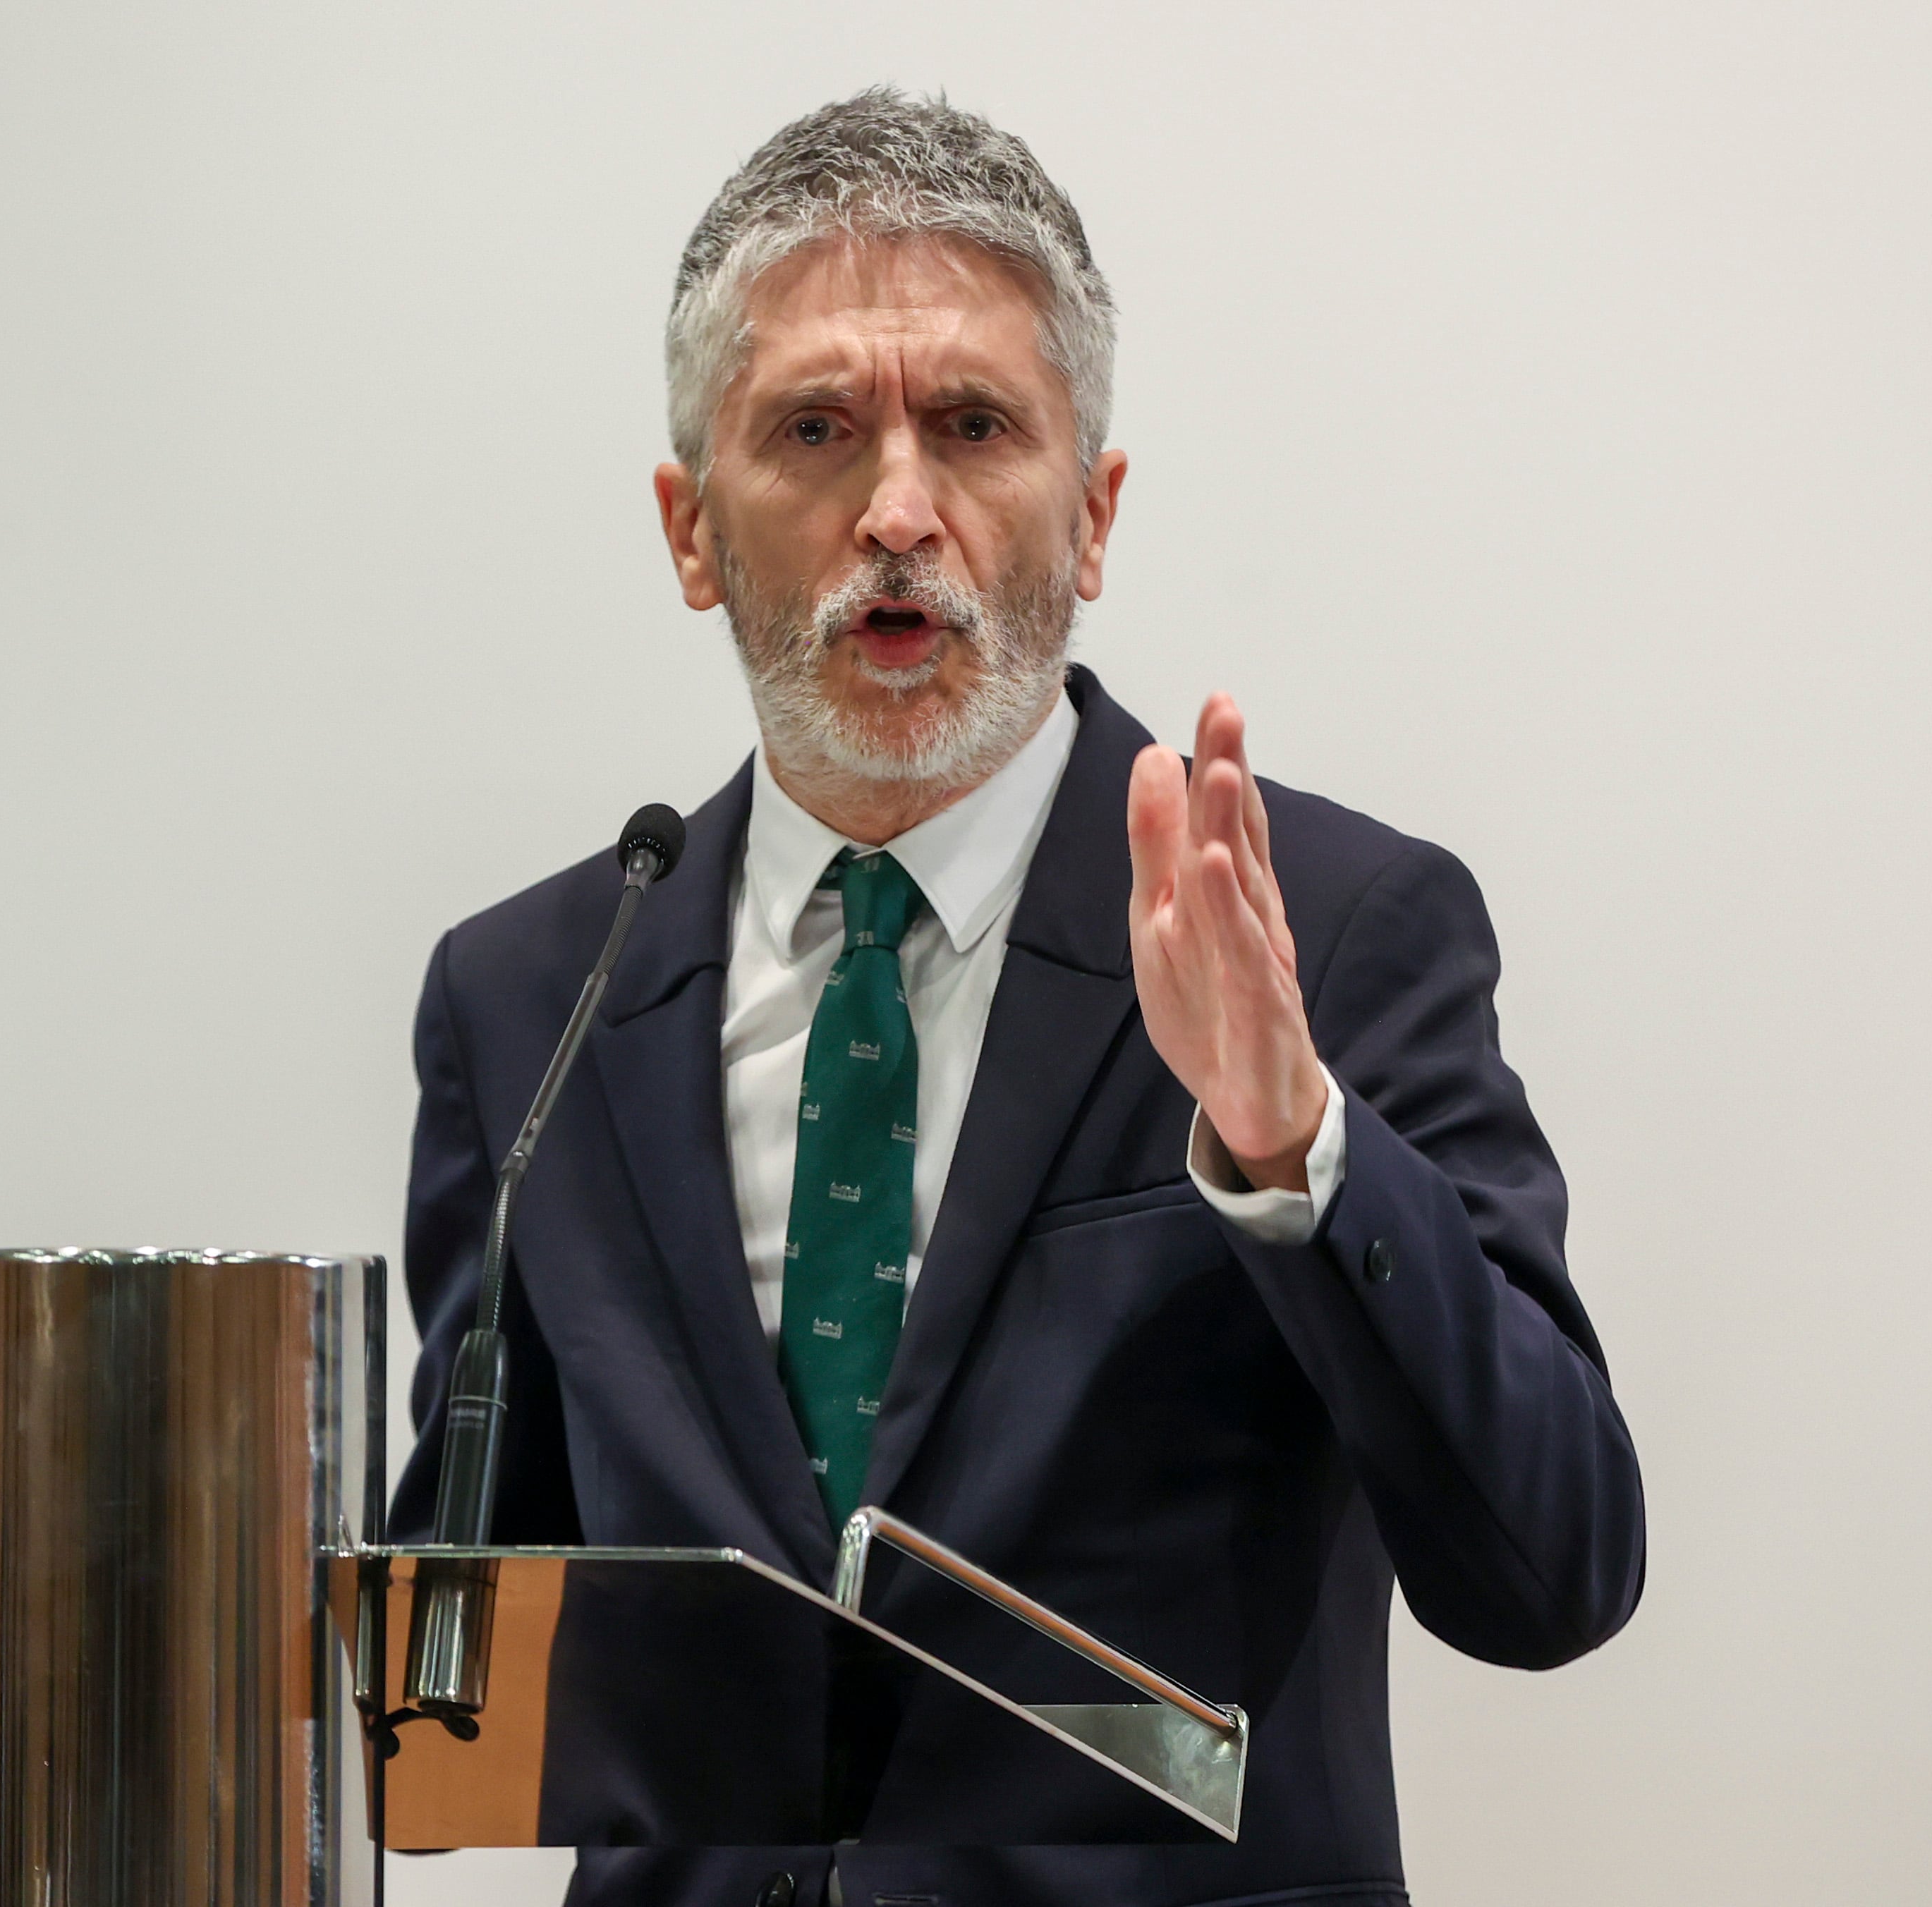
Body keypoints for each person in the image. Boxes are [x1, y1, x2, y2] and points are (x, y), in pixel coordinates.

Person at [390, 88, 1644, 1907]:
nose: (900, 510)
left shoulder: (1338, 932)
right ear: (689, 532)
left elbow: (1554, 1575)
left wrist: (1299, 1154)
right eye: (815, 431)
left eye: (974, 427)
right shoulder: (537, 999)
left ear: (1095, 508)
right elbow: (461, 1687)